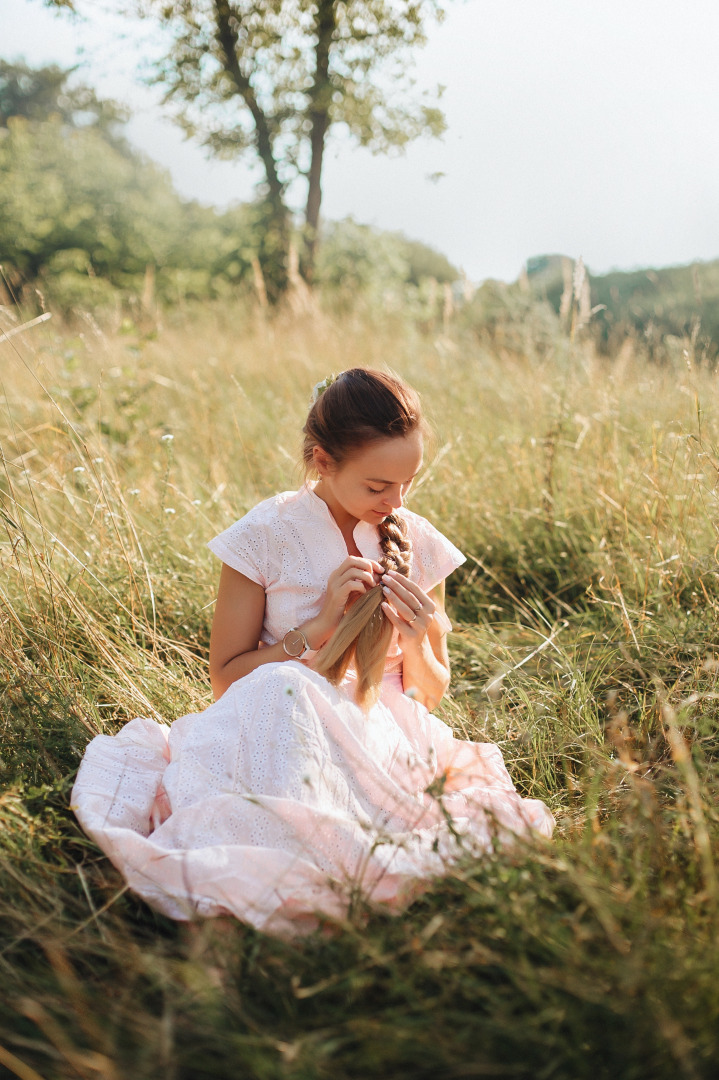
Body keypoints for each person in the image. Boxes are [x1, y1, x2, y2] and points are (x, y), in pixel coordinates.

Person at [71, 368, 555, 938]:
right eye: (377, 487)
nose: (395, 501)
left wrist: (422, 636)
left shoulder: (416, 541)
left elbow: (427, 695)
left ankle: (286, 900)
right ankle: (260, 893)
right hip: (279, 726)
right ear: (323, 461)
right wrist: (318, 629)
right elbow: (226, 681)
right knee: (291, 689)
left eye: (407, 483)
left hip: (385, 737)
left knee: (303, 701)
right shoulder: (265, 534)